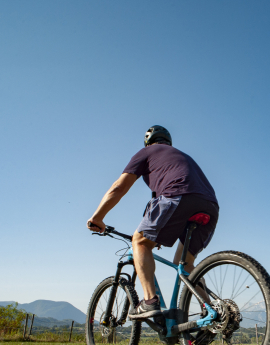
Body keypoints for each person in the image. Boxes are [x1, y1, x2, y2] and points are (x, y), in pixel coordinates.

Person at [87, 125, 219, 319]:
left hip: (178, 195)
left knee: (139, 242)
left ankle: (149, 302)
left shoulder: (146, 152)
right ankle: (212, 313)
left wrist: (97, 217)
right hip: (210, 205)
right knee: (185, 264)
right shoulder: (178, 158)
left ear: (148, 142)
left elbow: (119, 188)